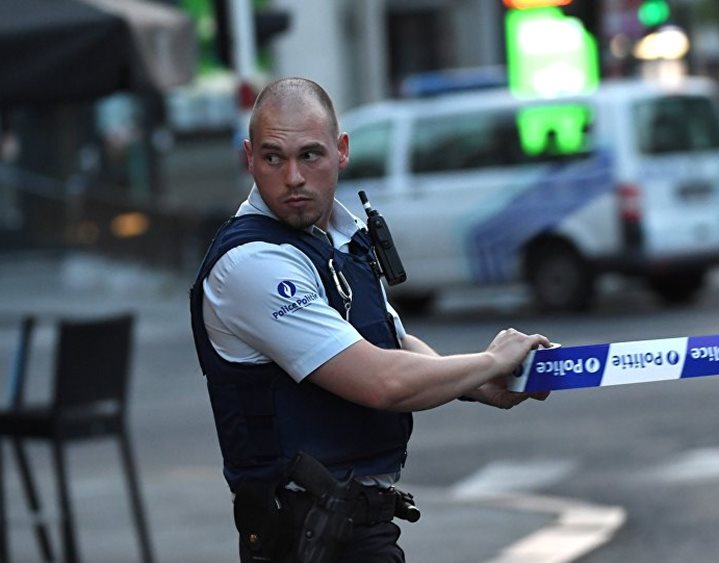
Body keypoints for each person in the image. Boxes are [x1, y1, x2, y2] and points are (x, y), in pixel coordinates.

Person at [189, 77, 550, 562]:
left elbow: (393, 343)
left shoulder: (339, 236)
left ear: (341, 151)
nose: (293, 177)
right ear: (249, 157)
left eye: (310, 155)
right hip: (304, 534)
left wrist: (481, 383)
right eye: (274, 158)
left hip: (354, 527)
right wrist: (488, 361)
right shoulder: (251, 263)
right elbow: (382, 381)